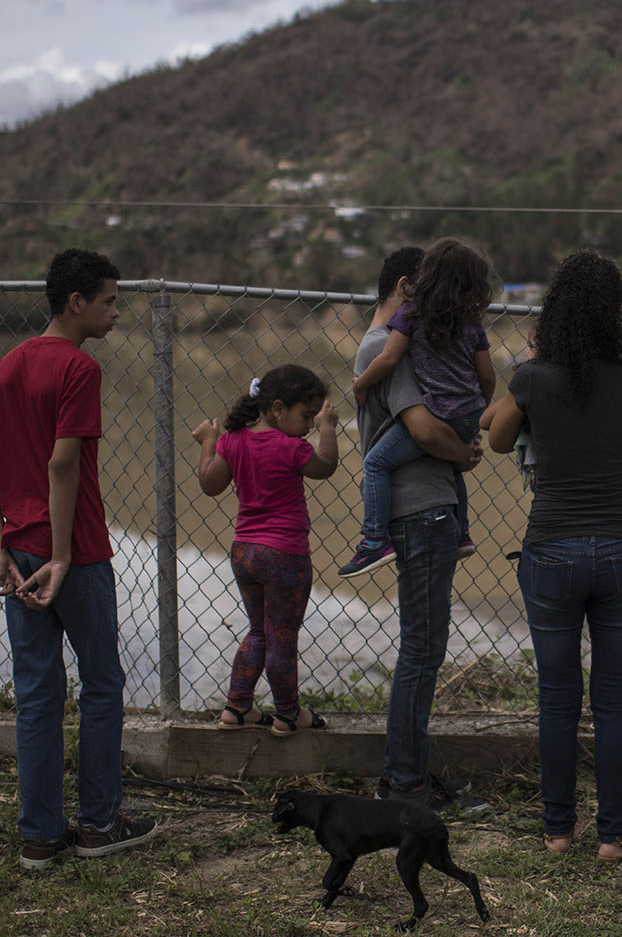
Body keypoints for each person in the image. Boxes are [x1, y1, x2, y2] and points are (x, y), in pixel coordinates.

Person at [0, 248, 157, 869]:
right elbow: (62, 461)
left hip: (19, 548)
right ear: (76, 302)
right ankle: (101, 826)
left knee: (36, 692)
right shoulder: (79, 369)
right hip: (70, 552)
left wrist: (1, 541)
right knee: (102, 684)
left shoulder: (9, 363)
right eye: (109, 301)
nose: (115, 312)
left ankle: (40, 838)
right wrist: (60, 556)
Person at [486, 249, 622, 861]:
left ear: (555, 310)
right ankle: (614, 836)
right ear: (614, 313)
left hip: (551, 547)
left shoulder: (532, 377)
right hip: (621, 548)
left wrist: (529, 375)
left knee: (557, 699)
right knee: (613, 701)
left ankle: (559, 832)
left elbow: (499, 439)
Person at [359, 247, 490, 815]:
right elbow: (424, 429)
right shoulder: (386, 345)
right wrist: (463, 453)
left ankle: (408, 776)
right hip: (422, 513)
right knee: (421, 651)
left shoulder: (409, 340)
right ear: (409, 286)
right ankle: (405, 783)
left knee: (423, 649)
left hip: (426, 512)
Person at [192, 364, 339, 736]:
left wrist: (210, 441)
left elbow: (210, 485)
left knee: (258, 631)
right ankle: (288, 714)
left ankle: (237, 707)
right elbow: (326, 468)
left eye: (312, 419)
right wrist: (327, 429)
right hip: (284, 556)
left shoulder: (233, 440)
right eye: (305, 415)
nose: (308, 424)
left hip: (244, 553)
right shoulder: (293, 448)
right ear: (277, 409)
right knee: (282, 637)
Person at [343, 237, 496, 576]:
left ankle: (373, 540)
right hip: (470, 412)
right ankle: (463, 532)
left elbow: (390, 361)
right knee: (455, 470)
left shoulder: (410, 320)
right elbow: (487, 376)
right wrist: (476, 413)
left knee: (374, 463)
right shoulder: (470, 324)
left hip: (433, 441)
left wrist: (361, 384)